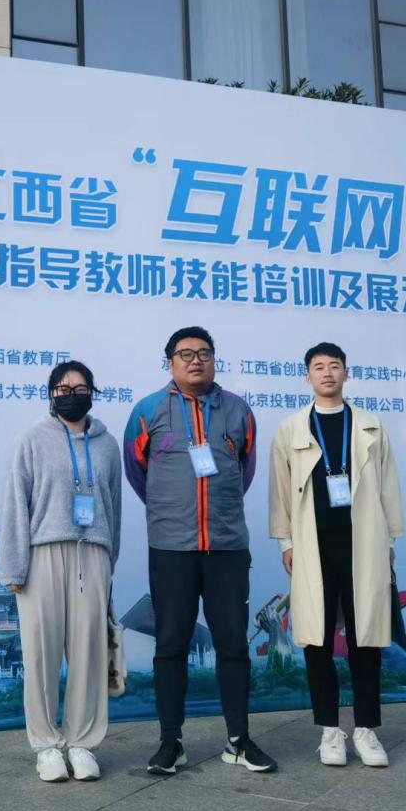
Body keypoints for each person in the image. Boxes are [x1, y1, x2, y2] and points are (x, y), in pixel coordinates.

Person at [124, 326, 276, 775]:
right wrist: (173, 510)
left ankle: (238, 740)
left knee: (233, 645)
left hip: (227, 549)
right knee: (170, 645)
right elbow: (138, 473)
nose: (196, 360)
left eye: (204, 353)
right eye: (185, 353)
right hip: (171, 549)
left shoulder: (238, 411)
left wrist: (216, 512)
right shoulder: (147, 411)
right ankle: (171, 742)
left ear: (214, 359)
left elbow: (244, 471)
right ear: (169, 362)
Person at [267, 342, 405, 768]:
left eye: (334, 366)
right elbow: (279, 491)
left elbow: (387, 484)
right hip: (313, 547)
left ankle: (366, 730)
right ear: (307, 376)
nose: (327, 373)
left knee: (367, 638)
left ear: (347, 373)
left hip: (363, 543)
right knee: (317, 639)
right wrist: (286, 543)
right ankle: (329, 730)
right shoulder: (291, 428)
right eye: (318, 366)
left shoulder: (370, 425)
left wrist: (390, 541)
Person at [0, 360, 122, 783]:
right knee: (40, 653)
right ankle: (47, 745)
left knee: (89, 653)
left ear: (93, 393)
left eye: (81, 388)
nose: (72, 395)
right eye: (63, 389)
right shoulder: (31, 439)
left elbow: (114, 506)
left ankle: (82, 742)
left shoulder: (107, 445)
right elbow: (15, 502)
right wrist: (14, 565)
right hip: (43, 553)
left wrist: (108, 559)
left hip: (93, 554)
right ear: (51, 394)